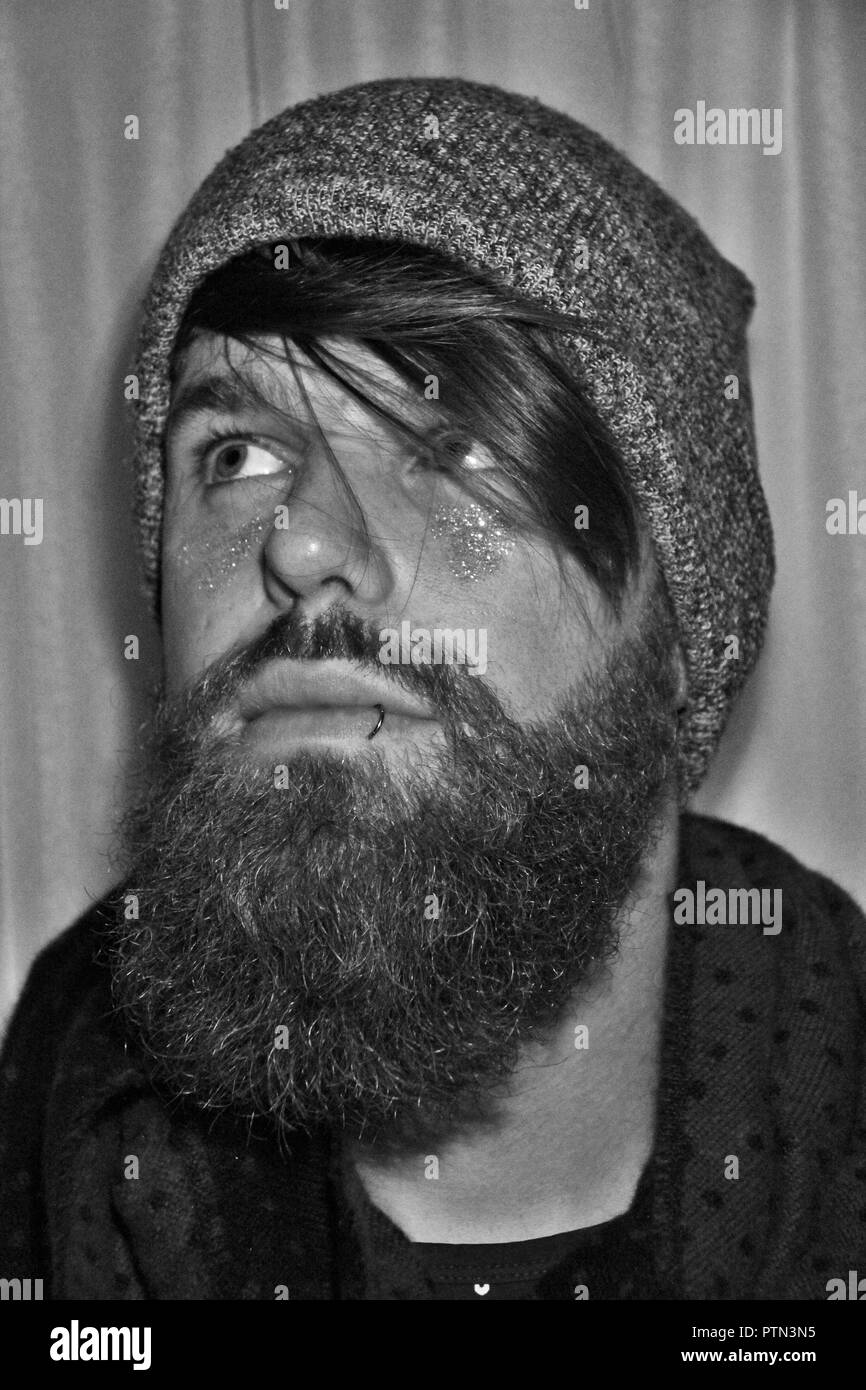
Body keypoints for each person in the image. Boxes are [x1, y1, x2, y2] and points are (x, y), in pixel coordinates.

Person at [1, 76, 864, 1302]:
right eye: (236, 454)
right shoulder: (54, 1110)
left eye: (453, 445)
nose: (300, 544)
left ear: (678, 627)